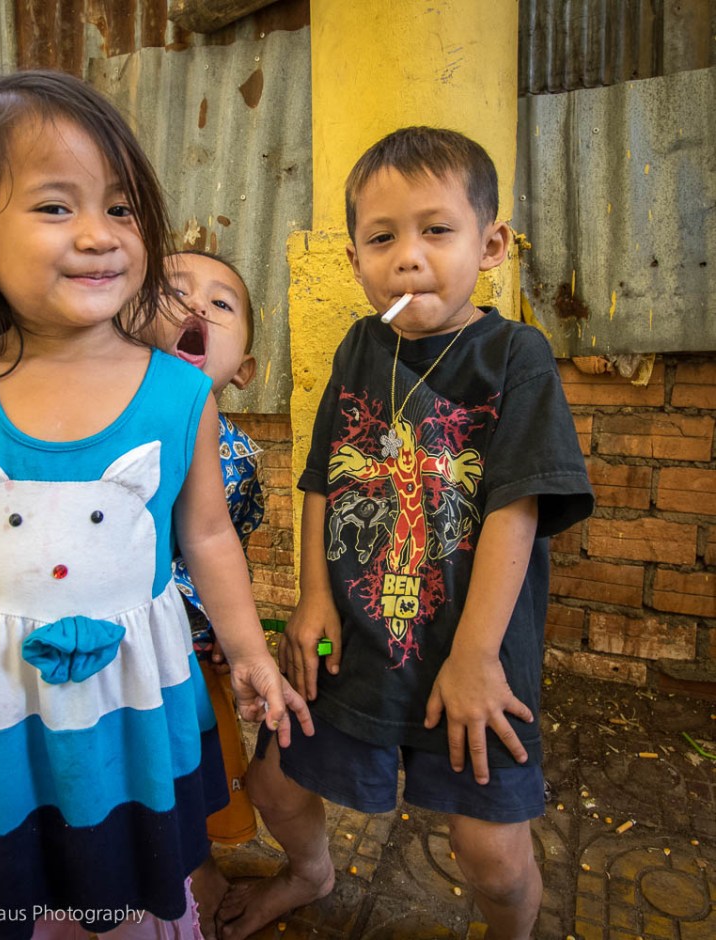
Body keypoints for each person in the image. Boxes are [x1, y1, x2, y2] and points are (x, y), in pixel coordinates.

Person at [0, 69, 312, 940]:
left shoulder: (177, 395)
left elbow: (211, 537)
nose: (99, 236)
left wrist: (251, 650)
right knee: (14, 891)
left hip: (136, 706)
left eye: (119, 207)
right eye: (53, 207)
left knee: (133, 886)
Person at [218, 127, 594, 940]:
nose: (408, 257)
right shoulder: (360, 348)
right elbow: (323, 473)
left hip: (473, 657)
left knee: (490, 853)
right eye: (381, 238)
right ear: (356, 262)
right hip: (355, 640)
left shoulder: (515, 356)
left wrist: (475, 657)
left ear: (490, 244)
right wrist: (313, 600)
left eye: (437, 231)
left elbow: (517, 511)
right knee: (277, 787)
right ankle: (312, 874)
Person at [153, 250, 264, 937]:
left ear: (244, 370)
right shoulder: (102, 421)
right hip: (113, 647)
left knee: (197, 768)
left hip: (191, 650)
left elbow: (222, 551)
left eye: (221, 304)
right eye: (175, 292)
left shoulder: (236, 457)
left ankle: (199, 869)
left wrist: (232, 638)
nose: (198, 306)